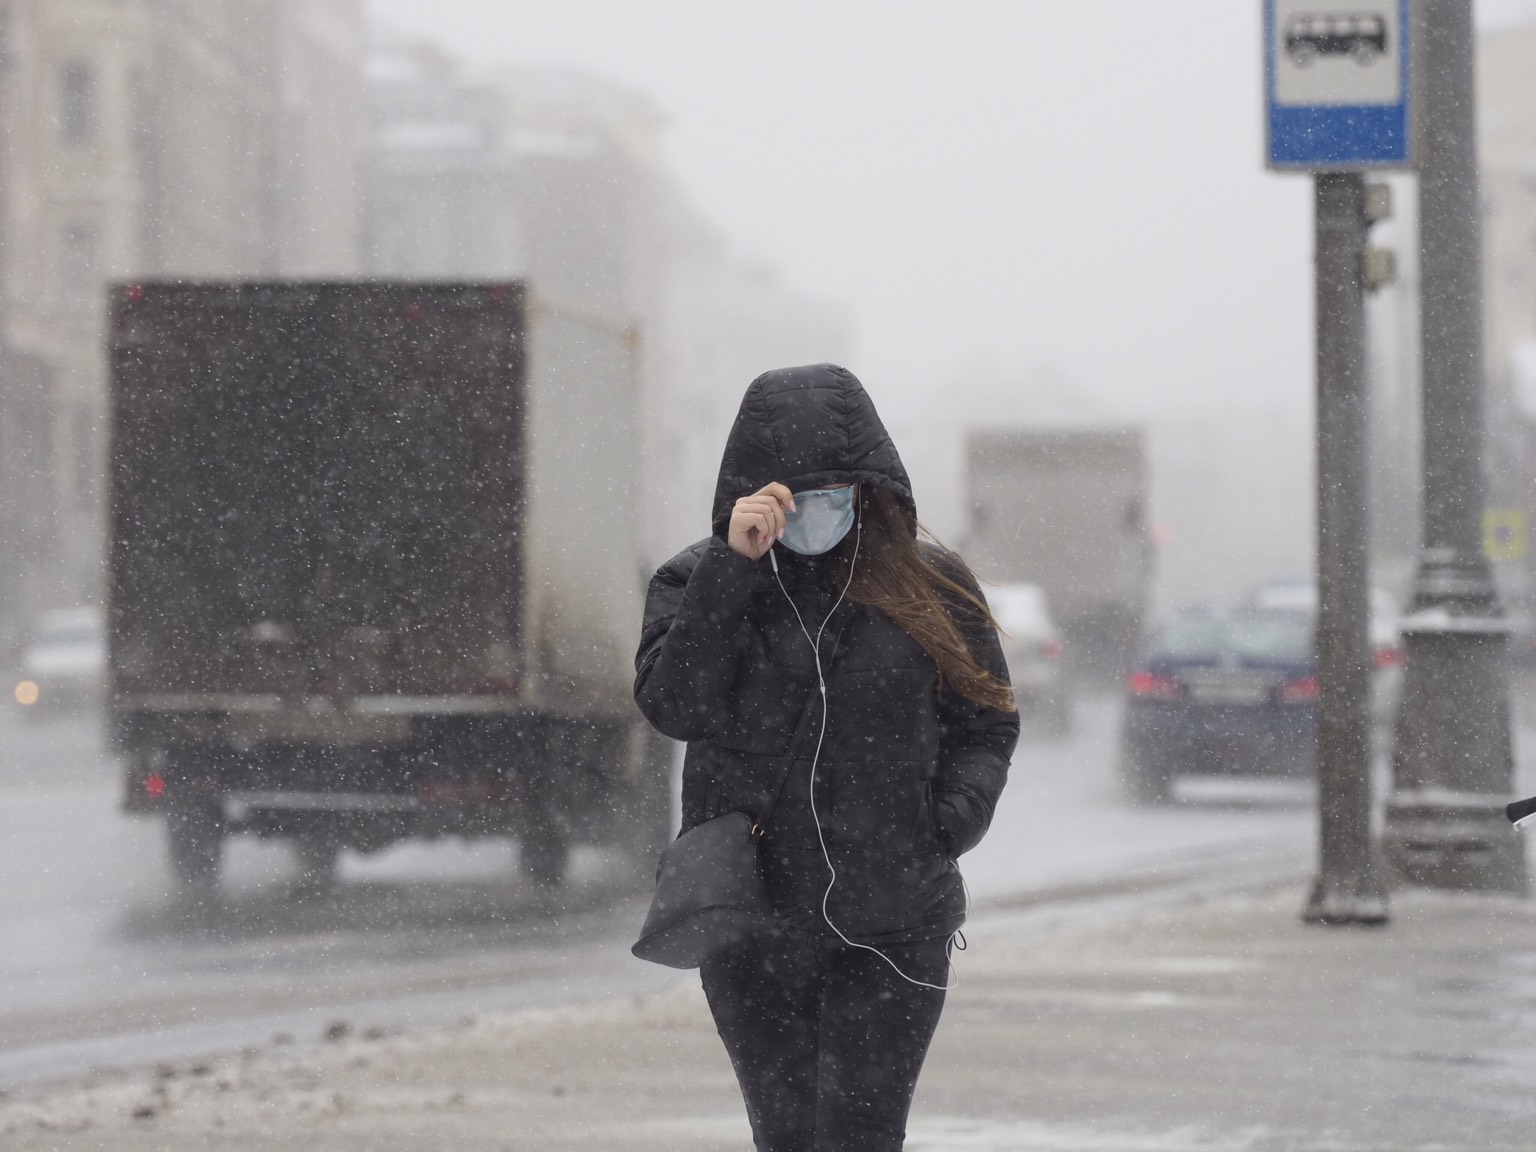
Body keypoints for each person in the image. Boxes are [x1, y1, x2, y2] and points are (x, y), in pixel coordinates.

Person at [633, 363, 1019, 1152]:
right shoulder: (698, 579)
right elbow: (677, 707)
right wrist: (733, 569)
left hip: (895, 922)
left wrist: (946, 824)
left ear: (869, 489)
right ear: (753, 492)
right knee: (787, 1135)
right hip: (752, 925)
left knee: (861, 1136)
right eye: (794, 495)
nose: (816, 511)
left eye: (836, 491)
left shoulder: (929, 587)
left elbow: (985, 719)